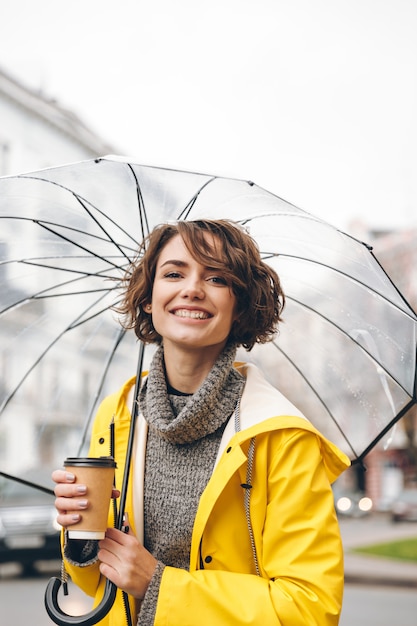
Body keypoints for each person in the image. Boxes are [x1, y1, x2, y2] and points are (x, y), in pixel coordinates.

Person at [53, 218, 350, 626]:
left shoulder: (281, 436)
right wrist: (79, 534)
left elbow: (310, 607)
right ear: (148, 298)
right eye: (174, 273)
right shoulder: (118, 412)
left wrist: (159, 584)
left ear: (241, 305)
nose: (192, 288)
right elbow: (96, 584)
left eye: (217, 278)